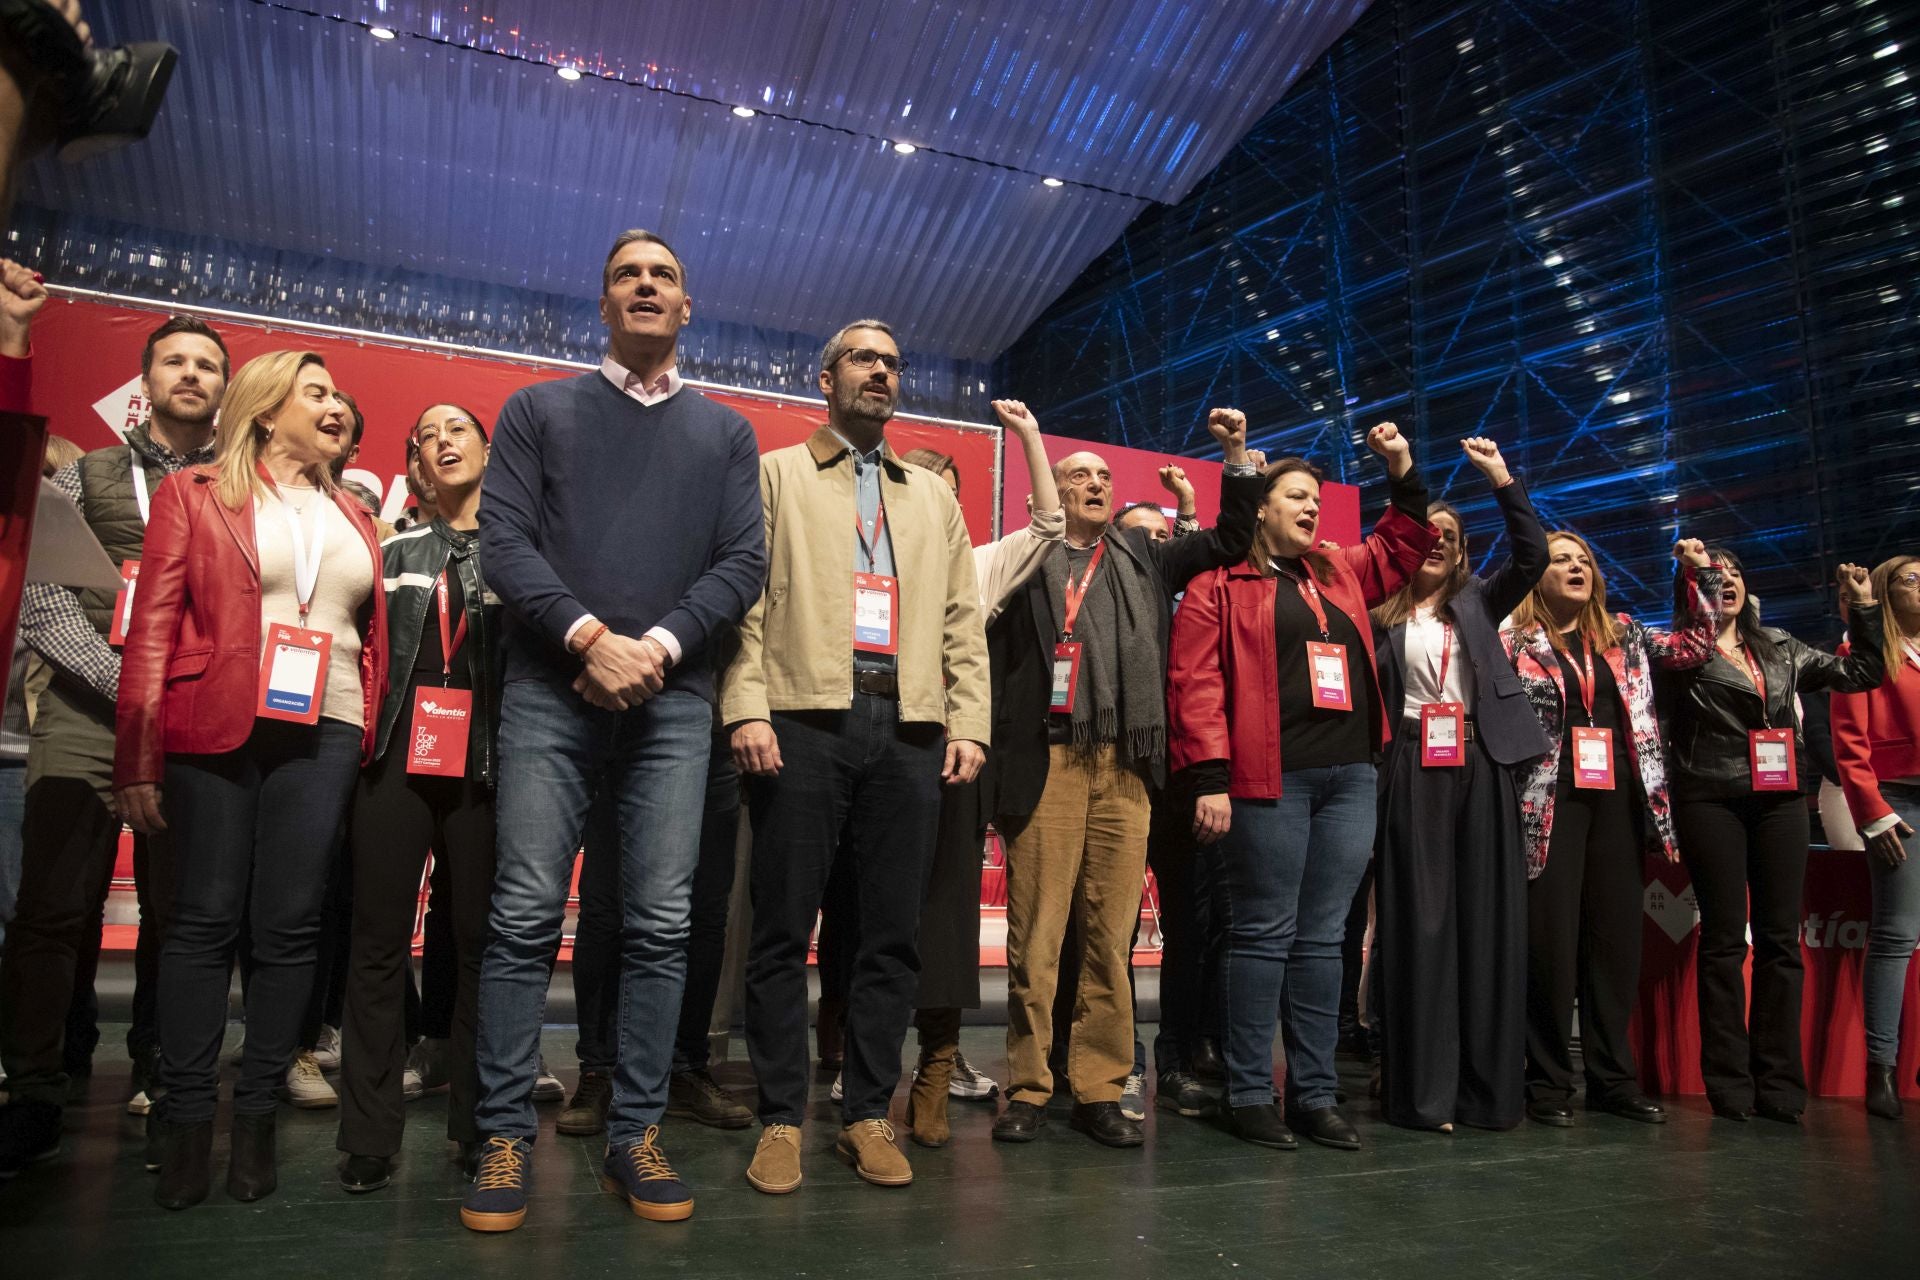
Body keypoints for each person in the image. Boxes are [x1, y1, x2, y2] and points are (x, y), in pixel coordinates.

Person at [462, 229, 765, 1232]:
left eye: (664, 276)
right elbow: (501, 541)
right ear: (604, 305)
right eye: (627, 274)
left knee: (659, 922)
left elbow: (740, 563)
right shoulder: (535, 409)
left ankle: (635, 1129)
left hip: (675, 699)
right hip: (552, 688)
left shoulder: (724, 433)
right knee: (522, 914)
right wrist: (591, 639)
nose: (645, 284)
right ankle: (504, 1129)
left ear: (686, 310)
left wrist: (658, 649)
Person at [113, 349, 387, 1209]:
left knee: (290, 929)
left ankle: (257, 1118)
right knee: (200, 925)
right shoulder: (194, 494)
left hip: (328, 728)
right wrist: (138, 752)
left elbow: (366, 635)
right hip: (213, 725)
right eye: (316, 393)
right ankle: (190, 1122)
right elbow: (152, 626)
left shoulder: (355, 513)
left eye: (337, 394)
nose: (334, 404)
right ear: (268, 410)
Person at [722, 319, 987, 1195]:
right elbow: (746, 603)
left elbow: (961, 620)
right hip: (803, 719)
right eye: (863, 360)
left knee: (890, 937)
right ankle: (778, 1118)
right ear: (826, 377)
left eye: (892, 363)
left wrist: (968, 722)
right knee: (781, 927)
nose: (880, 372)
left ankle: (869, 1111)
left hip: (908, 727)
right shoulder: (776, 475)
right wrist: (746, 707)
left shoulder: (931, 497)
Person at [988, 409, 1257, 1150]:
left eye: (1104, 477)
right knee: (1036, 940)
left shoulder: (1144, 556)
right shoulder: (1025, 560)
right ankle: (1030, 1086)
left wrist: (1234, 457)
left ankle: (1101, 1088)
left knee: (1110, 937)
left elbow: (1231, 539)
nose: (1096, 486)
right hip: (1047, 759)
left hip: (1125, 763)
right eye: (1081, 477)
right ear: (1054, 491)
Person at [0, 314, 231, 1177]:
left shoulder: (229, 492)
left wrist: (178, 703)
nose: (192, 374)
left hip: (184, 725)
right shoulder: (86, 473)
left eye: (208, 364)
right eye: (176, 359)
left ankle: (161, 1073)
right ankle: (33, 1090)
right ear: (147, 378)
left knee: (181, 916)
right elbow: (45, 595)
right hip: (86, 712)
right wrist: (124, 687)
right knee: (54, 908)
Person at [1169, 424, 1435, 1152]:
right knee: (1262, 936)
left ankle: (1315, 1095)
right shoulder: (1215, 585)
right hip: (1266, 781)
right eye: (1296, 496)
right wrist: (1211, 779)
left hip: (1351, 777)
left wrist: (1400, 465)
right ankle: (1250, 1091)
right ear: (1260, 506)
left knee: (1323, 943)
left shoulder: (1337, 572)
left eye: (1317, 498)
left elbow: (1403, 546)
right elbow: (1195, 686)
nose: (1312, 507)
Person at [335, 403, 501, 1191]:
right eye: (425, 433)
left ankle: (477, 1125)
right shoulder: (386, 545)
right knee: (375, 945)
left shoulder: (521, 553)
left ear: (489, 450)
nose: (441, 438)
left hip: (487, 770)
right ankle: (368, 1133)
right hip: (396, 760)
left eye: (457, 428)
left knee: (479, 948)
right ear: (414, 464)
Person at [1503, 533, 1720, 1127]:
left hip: (1622, 798)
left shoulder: (1624, 633)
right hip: (1548, 801)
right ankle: (1546, 1082)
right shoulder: (1510, 638)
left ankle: (1613, 1081)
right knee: (1550, 945)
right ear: (1534, 574)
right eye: (1561, 560)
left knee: (1615, 943)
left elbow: (1697, 644)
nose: (1576, 567)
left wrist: (1699, 573)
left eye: (1585, 560)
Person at [1663, 547, 1883, 1123]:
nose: (1727, 580)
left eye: (1735, 571)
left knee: (1781, 944)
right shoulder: (1680, 652)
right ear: (1695, 588)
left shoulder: (1782, 645)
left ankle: (1781, 1083)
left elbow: (1862, 672)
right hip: (1710, 795)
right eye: (1716, 575)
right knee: (1724, 942)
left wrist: (1861, 609)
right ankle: (1729, 1083)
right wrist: (1698, 576)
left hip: (1782, 800)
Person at [1366, 438, 1548, 1132]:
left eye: (1450, 536)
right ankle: (1425, 1094)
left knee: (1484, 925)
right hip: (1412, 765)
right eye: (1427, 534)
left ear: (1463, 549)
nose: (1438, 542)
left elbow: (1531, 553)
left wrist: (1502, 476)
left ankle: (1486, 1094)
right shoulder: (1381, 616)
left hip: (1481, 764)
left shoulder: (1478, 603)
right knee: (1422, 927)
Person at [1831, 553, 1920, 1119]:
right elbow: (1848, 741)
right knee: (1897, 932)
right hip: (1899, 803)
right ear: (1887, 593)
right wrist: (1873, 811)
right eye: (1913, 580)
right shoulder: (1861, 653)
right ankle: (1880, 1070)